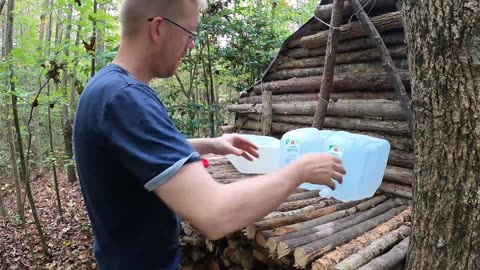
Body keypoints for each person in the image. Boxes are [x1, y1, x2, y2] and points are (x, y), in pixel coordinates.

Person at [72, 0, 346, 269]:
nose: (191, 45)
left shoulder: (105, 88)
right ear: (158, 28)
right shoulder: (126, 99)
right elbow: (214, 214)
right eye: (189, 33)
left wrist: (213, 145)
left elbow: (131, 155)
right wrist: (298, 171)